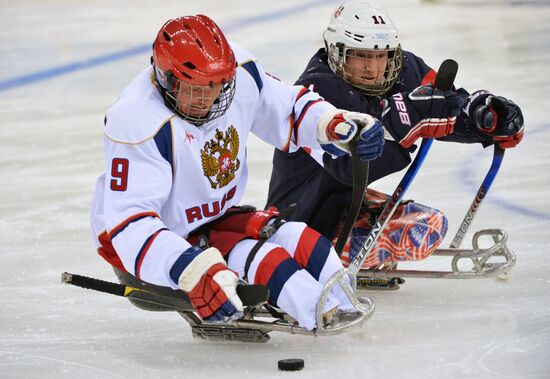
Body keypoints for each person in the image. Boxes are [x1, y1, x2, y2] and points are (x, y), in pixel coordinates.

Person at [89, 15, 386, 331]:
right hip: (148, 244)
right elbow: (131, 227)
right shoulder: (137, 121)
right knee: (266, 261)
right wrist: (189, 271)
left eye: (215, 86)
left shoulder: (238, 73)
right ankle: (315, 311)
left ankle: (341, 304)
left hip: (211, 220)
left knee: (302, 239)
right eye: (194, 88)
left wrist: (336, 126)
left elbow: (288, 108)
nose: (208, 99)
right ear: (166, 78)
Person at [266, 1, 524, 268]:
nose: (373, 68)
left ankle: (344, 255)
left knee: (430, 224)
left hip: (346, 203)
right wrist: (407, 122)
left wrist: (486, 120)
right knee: (419, 234)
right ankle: (313, 260)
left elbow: (446, 104)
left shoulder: (403, 69)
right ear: (336, 51)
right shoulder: (315, 93)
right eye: (361, 56)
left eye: (381, 56)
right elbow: (348, 166)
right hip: (303, 223)